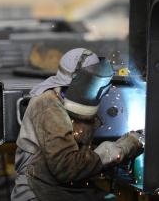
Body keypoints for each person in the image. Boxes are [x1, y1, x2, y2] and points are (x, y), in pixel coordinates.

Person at [12, 48, 143, 201]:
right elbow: (66, 167)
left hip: (64, 187)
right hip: (38, 190)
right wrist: (120, 149)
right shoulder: (49, 104)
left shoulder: (70, 102)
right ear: (77, 81)